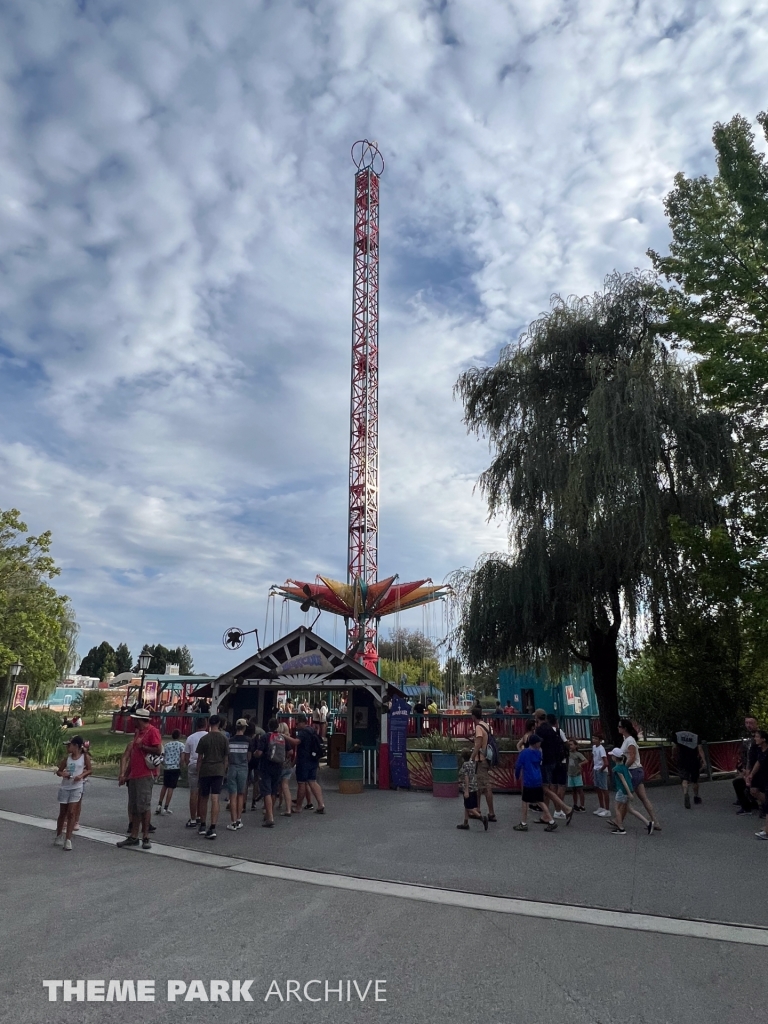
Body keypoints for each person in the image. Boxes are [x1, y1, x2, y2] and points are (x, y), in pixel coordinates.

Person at [117, 708, 162, 850]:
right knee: (135, 806)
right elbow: (133, 756)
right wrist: (126, 774)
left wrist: (144, 746)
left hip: (145, 774)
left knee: (144, 806)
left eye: (135, 719)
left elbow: (158, 750)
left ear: (140, 720)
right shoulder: (138, 733)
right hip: (135, 774)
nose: (133, 721)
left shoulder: (152, 731)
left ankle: (146, 836)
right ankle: (134, 835)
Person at [617, 719, 660, 830]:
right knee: (643, 798)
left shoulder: (629, 741)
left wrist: (623, 768)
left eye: (620, 726)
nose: (618, 728)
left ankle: (619, 821)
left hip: (632, 771)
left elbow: (632, 757)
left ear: (625, 728)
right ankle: (655, 821)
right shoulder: (627, 739)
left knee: (624, 798)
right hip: (637, 770)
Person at [534, 710, 574, 823]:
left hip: (544, 761)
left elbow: (537, 745)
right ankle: (545, 815)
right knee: (546, 787)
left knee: (545, 788)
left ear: (537, 718)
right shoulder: (551, 729)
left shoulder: (540, 730)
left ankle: (566, 808)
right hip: (553, 760)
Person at [513, 734, 557, 832]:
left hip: (528, 780)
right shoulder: (538, 753)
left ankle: (523, 823)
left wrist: (516, 776)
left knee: (525, 801)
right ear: (536, 743)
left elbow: (518, 765)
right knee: (540, 801)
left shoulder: (524, 753)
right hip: (538, 779)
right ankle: (551, 821)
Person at [53, 736, 91, 851]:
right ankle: (59, 835)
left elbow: (90, 769)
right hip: (66, 787)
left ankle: (68, 839)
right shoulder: (67, 759)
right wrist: (62, 773)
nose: (68, 747)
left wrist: (81, 776)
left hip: (76, 787)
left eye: (70, 745)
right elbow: (59, 771)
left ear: (76, 746)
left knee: (71, 812)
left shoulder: (84, 757)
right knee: (63, 813)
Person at [195, 715, 229, 840]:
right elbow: (226, 759)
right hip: (218, 770)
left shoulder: (204, 739)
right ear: (219, 723)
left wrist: (199, 772)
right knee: (215, 798)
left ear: (209, 723)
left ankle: (203, 824)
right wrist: (224, 771)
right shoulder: (224, 739)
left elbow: (199, 759)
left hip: (206, 769)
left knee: (204, 797)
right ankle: (213, 826)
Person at [608, 748, 654, 836]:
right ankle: (648, 823)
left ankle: (621, 828)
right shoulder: (624, 767)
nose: (611, 757)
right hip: (627, 790)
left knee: (617, 808)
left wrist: (628, 793)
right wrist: (630, 791)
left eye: (612, 755)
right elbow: (629, 776)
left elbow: (623, 781)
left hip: (622, 791)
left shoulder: (616, 769)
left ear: (615, 757)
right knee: (630, 809)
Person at [292, 715, 326, 814]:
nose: (296, 725)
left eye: (297, 723)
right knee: (313, 781)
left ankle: (298, 807)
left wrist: (284, 737)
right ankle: (321, 804)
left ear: (302, 722)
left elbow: (296, 742)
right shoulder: (312, 730)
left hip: (304, 761)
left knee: (301, 783)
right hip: (313, 759)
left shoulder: (302, 733)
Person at [470, 707, 497, 823]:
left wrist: (471, 757)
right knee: (479, 785)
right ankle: (477, 809)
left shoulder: (478, 727)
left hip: (481, 760)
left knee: (485, 786)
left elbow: (478, 744)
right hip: (487, 758)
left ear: (473, 716)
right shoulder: (487, 726)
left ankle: (490, 812)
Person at [182, 718, 209, 828]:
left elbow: (186, 755)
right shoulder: (208, 736)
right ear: (206, 725)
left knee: (193, 792)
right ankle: (200, 816)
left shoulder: (190, 738)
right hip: (205, 764)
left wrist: (189, 763)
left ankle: (193, 818)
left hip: (193, 763)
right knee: (203, 793)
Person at [225, 719, 250, 831]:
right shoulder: (248, 741)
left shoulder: (230, 741)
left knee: (232, 795)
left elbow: (227, 757)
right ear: (244, 728)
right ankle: (239, 819)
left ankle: (233, 821)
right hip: (243, 768)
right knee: (241, 794)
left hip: (232, 767)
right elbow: (249, 757)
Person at [674, 729, 706, 808]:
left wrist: (674, 755)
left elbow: (674, 748)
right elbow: (700, 750)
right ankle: (696, 796)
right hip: (694, 760)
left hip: (682, 760)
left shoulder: (678, 735)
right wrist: (704, 761)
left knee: (684, 779)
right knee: (695, 780)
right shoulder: (696, 737)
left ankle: (685, 793)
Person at [456, 749, 488, 830]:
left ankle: (481, 818)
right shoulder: (473, 763)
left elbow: (466, 777)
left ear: (463, 757)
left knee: (469, 807)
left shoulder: (465, 765)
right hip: (474, 786)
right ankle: (465, 822)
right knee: (467, 805)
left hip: (468, 788)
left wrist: (466, 790)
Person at [734, 717, 760, 814]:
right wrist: (742, 767)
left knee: (743, 782)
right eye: (746, 723)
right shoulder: (745, 737)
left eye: (751, 723)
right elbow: (743, 752)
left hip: (757, 766)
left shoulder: (761, 736)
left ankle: (754, 803)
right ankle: (747, 803)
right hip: (747, 764)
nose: (749, 725)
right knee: (739, 780)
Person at [156, 729, 185, 816]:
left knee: (165, 786)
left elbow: (163, 755)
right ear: (179, 736)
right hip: (175, 767)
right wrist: (181, 765)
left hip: (167, 767)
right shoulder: (181, 745)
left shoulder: (167, 745)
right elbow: (182, 757)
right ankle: (166, 807)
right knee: (171, 788)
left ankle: (159, 805)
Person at [745, 729, 768, 837]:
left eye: (757, 737)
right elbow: (758, 762)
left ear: (763, 739)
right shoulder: (759, 750)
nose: (755, 739)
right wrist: (751, 774)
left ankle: (767, 832)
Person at [275, 721, 296, 816]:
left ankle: (269, 808)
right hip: (288, 766)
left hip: (280, 765)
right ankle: (288, 808)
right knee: (285, 787)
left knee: (275, 786)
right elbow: (291, 752)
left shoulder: (278, 738)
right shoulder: (290, 739)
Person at [247, 722, 266, 810]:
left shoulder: (246, 739)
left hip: (248, 760)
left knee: (246, 782)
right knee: (256, 780)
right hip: (257, 760)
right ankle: (253, 802)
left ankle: (243, 803)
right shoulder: (258, 737)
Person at [591, 734, 611, 816]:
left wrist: (601, 769)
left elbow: (606, 763)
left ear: (600, 740)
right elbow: (594, 758)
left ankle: (607, 809)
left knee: (604, 789)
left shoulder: (601, 749)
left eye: (596, 738)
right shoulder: (594, 747)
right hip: (596, 768)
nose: (594, 740)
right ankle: (601, 807)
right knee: (598, 788)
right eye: (593, 738)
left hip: (601, 770)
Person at [567, 738, 587, 811]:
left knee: (580, 789)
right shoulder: (568, 753)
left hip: (577, 774)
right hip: (570, 773)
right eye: (569, 745)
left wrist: (580, 764)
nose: (570, 746)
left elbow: (585, 760)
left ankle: (582, 805)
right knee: (573, 790)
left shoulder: (578, 754)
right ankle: (575, 804)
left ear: (576, 746)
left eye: (571, 745)